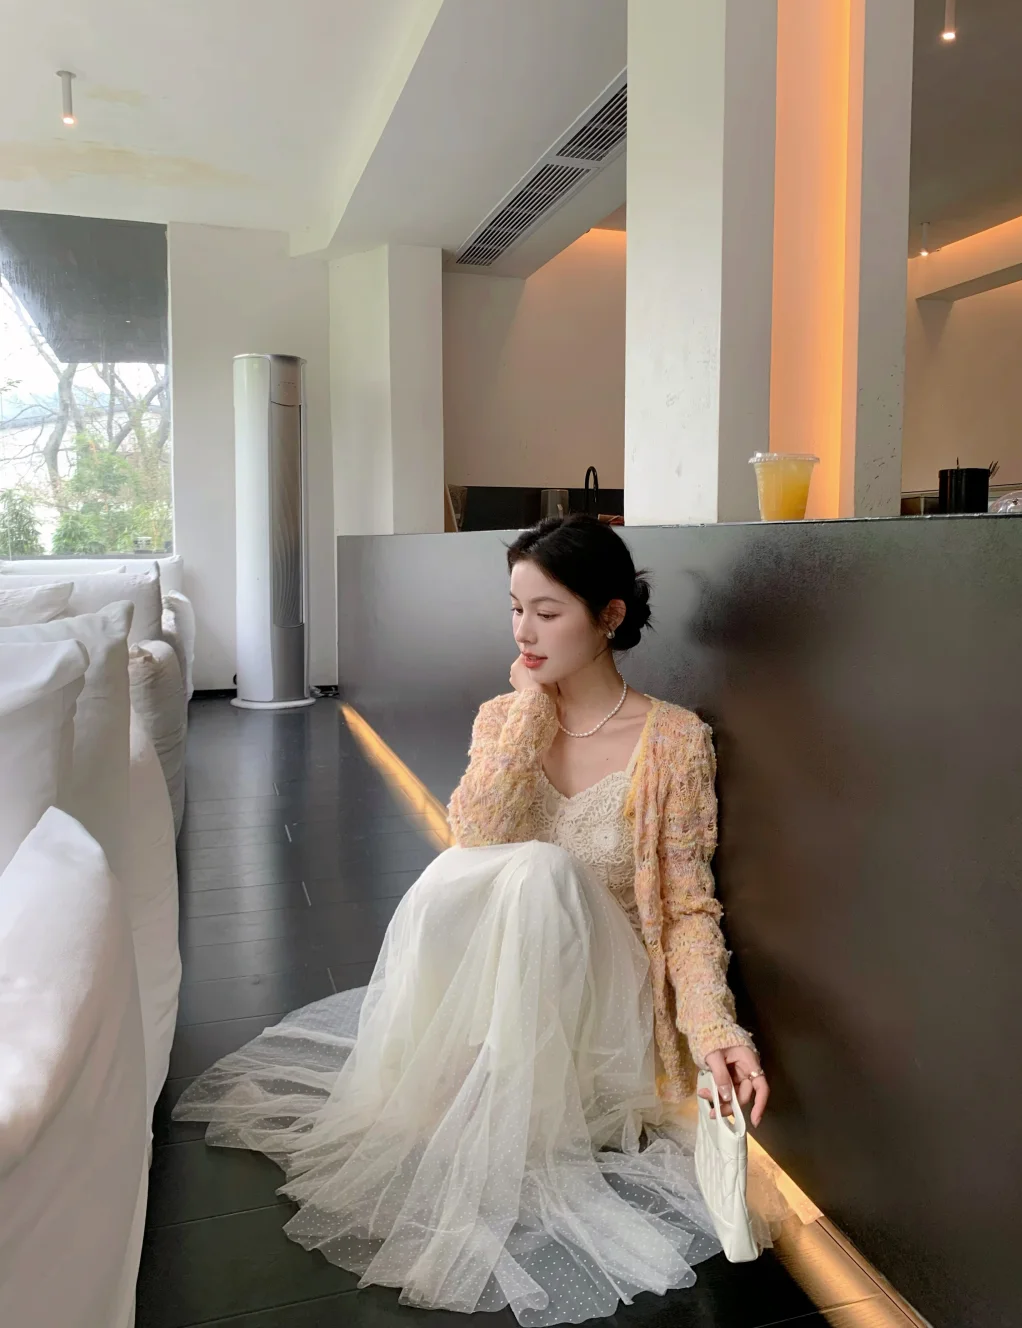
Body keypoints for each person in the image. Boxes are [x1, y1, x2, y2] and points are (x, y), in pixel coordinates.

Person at [174, 515, 771, 1325]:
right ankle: (480, 1071)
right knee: (482, 866)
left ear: (609, 617)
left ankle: (506, 1091)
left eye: (548, 612)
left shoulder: (675, 740)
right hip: (505, 992)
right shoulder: (504, 719)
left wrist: (717, 1032)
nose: (524, 631)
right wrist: (528, 712)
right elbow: (474, 838)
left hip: (603, 1006)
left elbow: (689, 905)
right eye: (515, 609)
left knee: (542, 869)